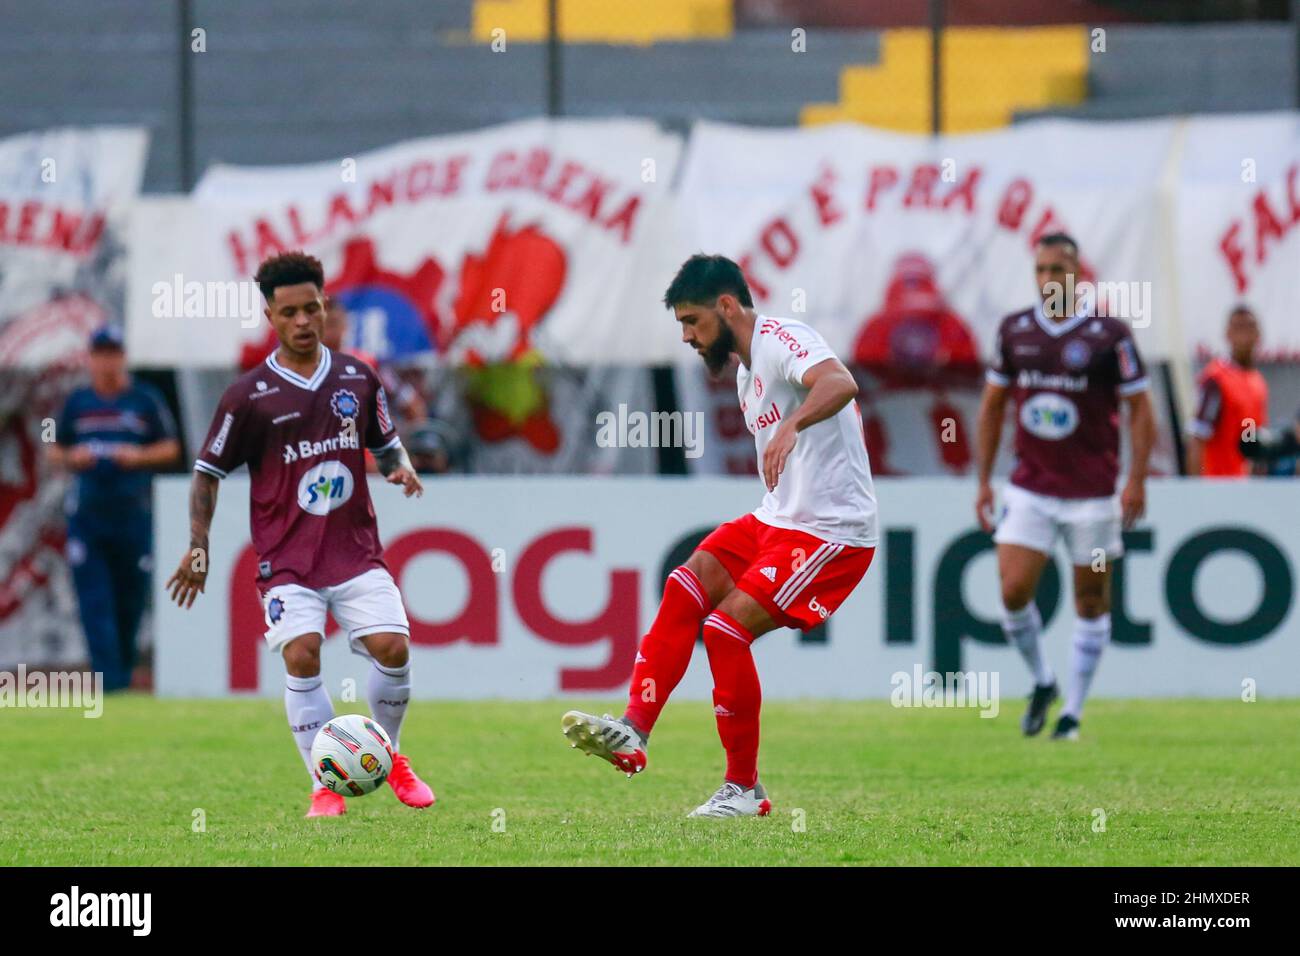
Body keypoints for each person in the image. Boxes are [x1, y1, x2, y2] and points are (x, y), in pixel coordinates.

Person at [561, 254, 878, 818]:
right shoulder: (744, 372)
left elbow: (840, 382)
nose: (686, 336)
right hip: (777, 520)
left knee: (726, 631)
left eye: (692, 321)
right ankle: (634, 729)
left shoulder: (783, 338)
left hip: (831, 530)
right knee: (687, 583)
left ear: (727, 306)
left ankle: (743, 790)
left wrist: (792, 423)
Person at [165, 252, 436, 818]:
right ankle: (324, 783)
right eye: (289, 312)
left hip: (356, 552)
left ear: (324, 305)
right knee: (303, 653)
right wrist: (198, 544)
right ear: (270, 315)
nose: (303, 321)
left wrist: (399, 467)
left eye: (312, 308)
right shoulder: (248, 396)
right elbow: (207, 473)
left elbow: (383, 441)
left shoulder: (357, 377)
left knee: (395, 647)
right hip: (287, 559)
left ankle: (390, 755)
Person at [975, 233, 1156, 741]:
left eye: (1059, 269)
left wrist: (1136, 479)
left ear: (1080, 274)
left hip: (1094, 496)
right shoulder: (1015, 331)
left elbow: (1141, 409)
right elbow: (992, 407)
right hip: (1030, 489)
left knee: (1092, 601)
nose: (1050, 278)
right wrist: (984, 482)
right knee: (1011, 591)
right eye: (1042, 269)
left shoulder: (1109, 334)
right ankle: (1043, 681)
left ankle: (1072, 714)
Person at [49, 326, 180, 691]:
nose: (107, 361)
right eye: (101, 354)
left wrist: (138, 456)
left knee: (130, 599)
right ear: (90, 359)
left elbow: (171, 447)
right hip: (88, 517)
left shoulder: (145, 400)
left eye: (114, 353)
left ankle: (120, 674)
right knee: (95, 600)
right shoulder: (76, 402)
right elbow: (51, 444)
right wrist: (71, 456)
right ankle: (110, 682)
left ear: (124, 357)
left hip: (132, 515)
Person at [1186, 306, 1268, 477]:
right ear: (1228, 334)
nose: (1244, 335)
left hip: (1243, 485)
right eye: (1238, 328)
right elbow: (1198, 436)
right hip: (1218, 485)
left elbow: (1250, 433)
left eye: (1249, 328)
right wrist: (1194, 491)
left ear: (1258, 334)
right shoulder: (1216, 379)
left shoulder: (1257, 382)